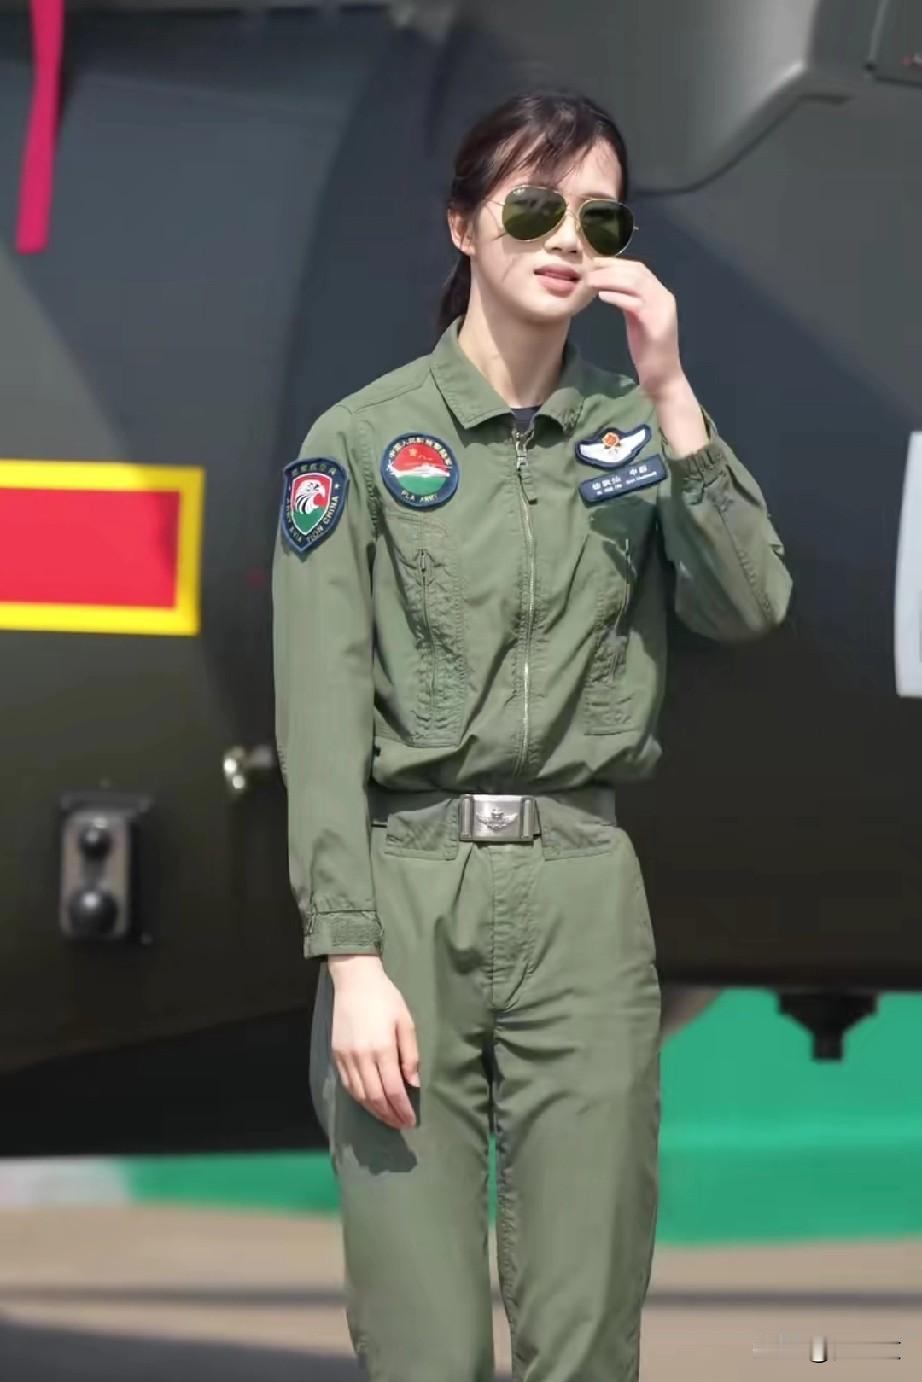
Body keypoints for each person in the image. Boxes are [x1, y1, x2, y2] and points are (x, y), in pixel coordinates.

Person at [272, 88, 791, 1382]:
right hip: (406, 906)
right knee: (424, 1342)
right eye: (532, 205)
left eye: (598, 215)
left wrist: (671, 390)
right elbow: (320, 718)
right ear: (462, 225)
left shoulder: (632, 436)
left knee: (586, 1327)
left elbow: (750, 603)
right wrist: (350, 961)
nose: (566, 237)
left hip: (581, 897)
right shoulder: (359, 444)